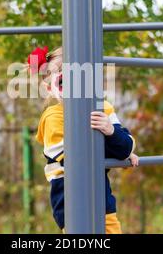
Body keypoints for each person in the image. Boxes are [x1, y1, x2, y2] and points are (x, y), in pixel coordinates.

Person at [28, 46, 139, 234]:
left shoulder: (102, 107)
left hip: (99, 190)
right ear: (50, 88)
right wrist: (116, 149)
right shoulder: (53, 117)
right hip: (69, 194)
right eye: (64, 82)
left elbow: (125, 146)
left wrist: (111, 132)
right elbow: (74, 159)